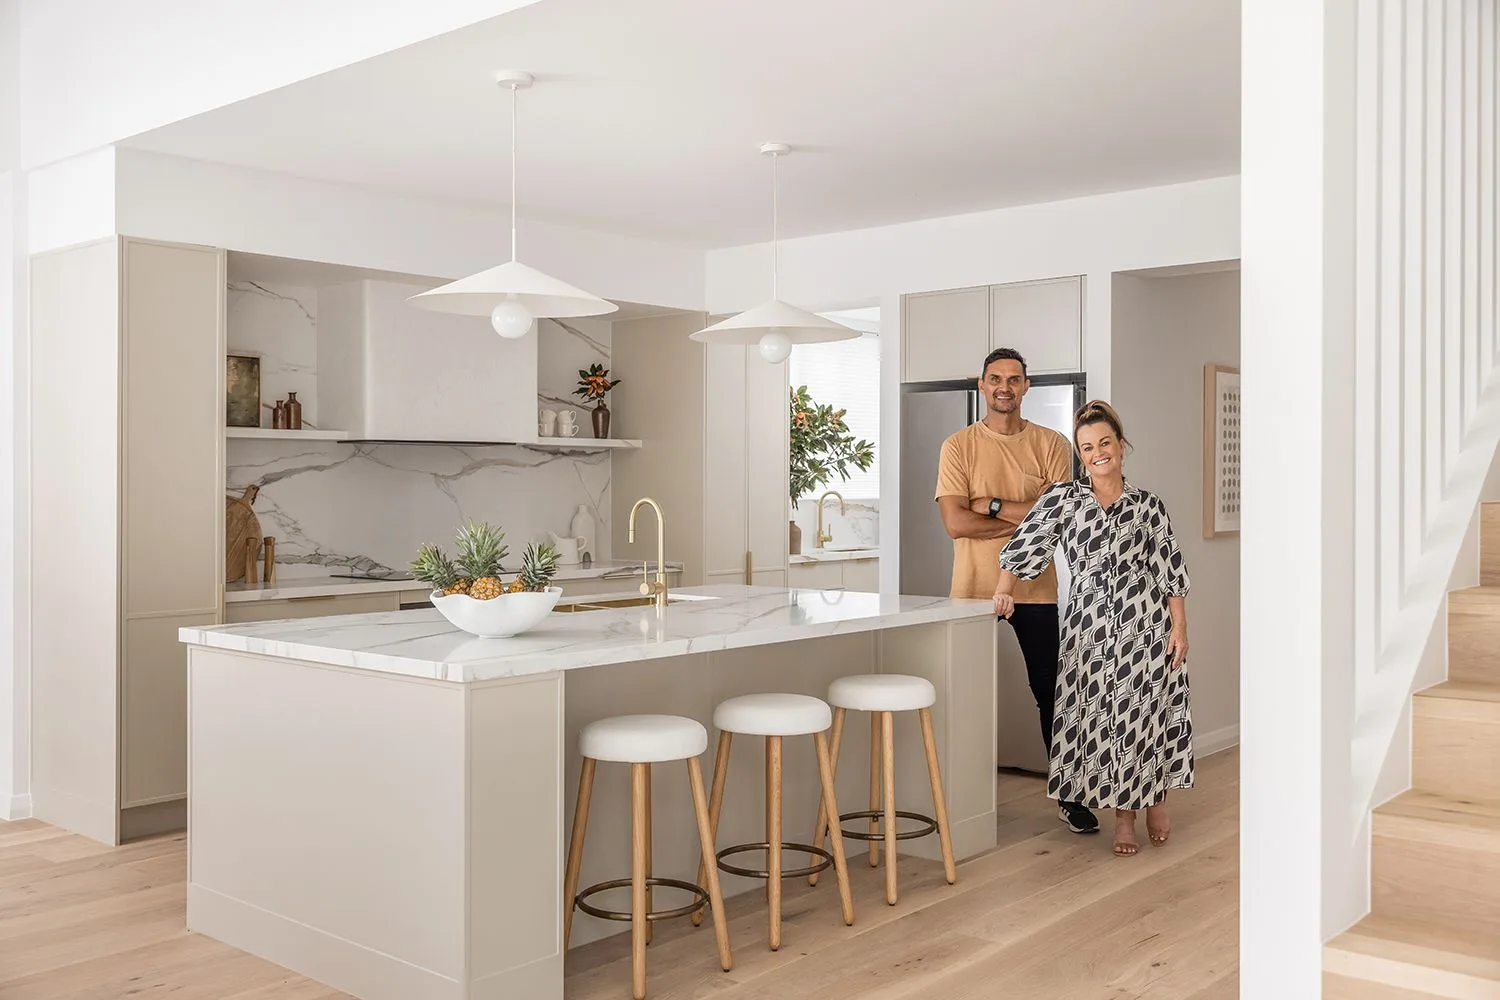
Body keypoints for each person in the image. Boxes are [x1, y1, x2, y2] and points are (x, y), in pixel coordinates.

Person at [992, 400, 1194, 857]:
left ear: (1121, 446)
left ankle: (1156, 798)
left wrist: (1178, 628)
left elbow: (1171, 572)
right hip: (1090, 631)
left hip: (1144, 623)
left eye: (1105, 443)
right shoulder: (1064, 500)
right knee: (1109, 722)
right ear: (1080, 456)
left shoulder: (1148, 506)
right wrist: (1004, 590)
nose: (1098, 453)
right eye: (1087, 447)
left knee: (1146, 715)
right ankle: (1124, 815)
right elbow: (1024, 544)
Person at [934, 347, 1099, 836]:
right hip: (970, 591)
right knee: (960, 693)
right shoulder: (957, 446)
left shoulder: (1050, 444)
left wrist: (993, 504)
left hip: (1037, 591)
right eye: (995, 379)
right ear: (981, 386)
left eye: (1014, 379)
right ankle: (957, 794)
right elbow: (954, 522)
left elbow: (1059, 517)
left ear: (1026, 387)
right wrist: (1025, 519)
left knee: (1052, 692)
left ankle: (1071, 796)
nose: (1004, 386)